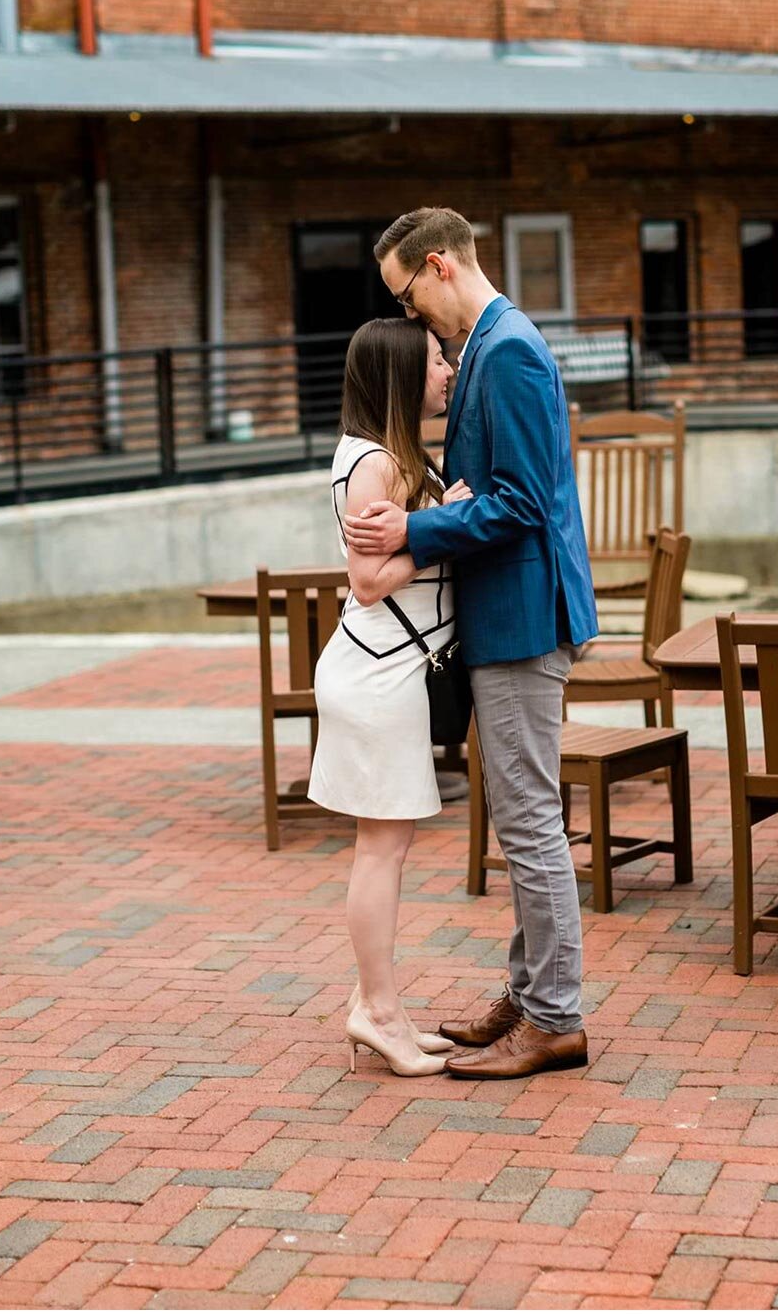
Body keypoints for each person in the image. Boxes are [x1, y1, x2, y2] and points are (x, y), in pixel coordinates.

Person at [343, 206, 600, 1081]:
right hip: (507, 613)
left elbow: (523, 504)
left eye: (407, 295)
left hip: (525, 618)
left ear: (440, 265)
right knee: (524, 817)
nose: (411, 318)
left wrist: (415, 528)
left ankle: (555, 1017)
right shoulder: (493, 348)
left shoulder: (511, 349)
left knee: (529, 823)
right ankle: (529, 996)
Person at [309, 316, 471, 1078]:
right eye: (438, 359)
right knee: (382, 849)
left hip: (388, 672)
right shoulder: (372, 462)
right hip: (377, 674)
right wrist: (441, 524)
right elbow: (369, 583)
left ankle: (384, 1007)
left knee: (389, 846)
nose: (448, 369)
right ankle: (375, 1011)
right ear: (403, 373)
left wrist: (434, 519)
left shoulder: (389, 456)